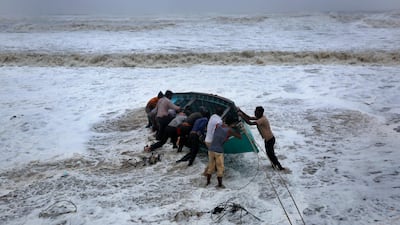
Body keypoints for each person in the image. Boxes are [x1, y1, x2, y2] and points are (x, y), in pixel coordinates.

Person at [238, 106, 285, 171]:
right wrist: (240, 111)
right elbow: (249, 117)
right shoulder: (259, 117)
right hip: (267, 139)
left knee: (271, 154)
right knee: (269, 153)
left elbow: (250, 123)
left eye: (256, 112)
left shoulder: (262, 119)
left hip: (270, 140)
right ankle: (273, 165)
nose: (255, 113)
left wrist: (242, 116)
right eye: (255, 111)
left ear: (260, 113)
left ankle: (279, 167)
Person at [205, 115, 242, 188]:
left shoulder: (218, 126)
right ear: (232, 124)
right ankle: (219, 185)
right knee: (220, 168)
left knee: (211, 166)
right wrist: (237, 128)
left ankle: (208, 182)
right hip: (218, 151)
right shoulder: (229, 130)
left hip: (211, 149)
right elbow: (239, 137)